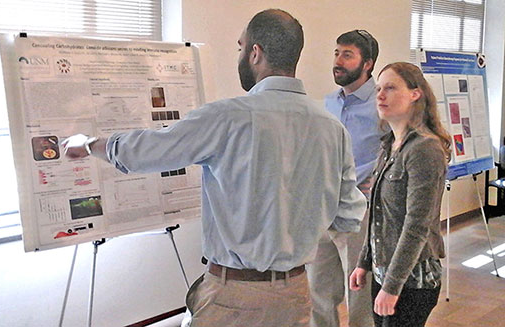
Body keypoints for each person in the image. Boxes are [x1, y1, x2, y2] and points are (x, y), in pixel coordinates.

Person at [63, 9, 367, 327]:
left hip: (235, 297)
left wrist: (88, 144)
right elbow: (347, 216)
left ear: (255, 53)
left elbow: (147, 150)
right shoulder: (333, 129)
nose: (239, 55)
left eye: (240, 47)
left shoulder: (227, 117)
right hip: (298, 294)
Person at [349, 62, 451, 327]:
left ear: (415, 93)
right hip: (386, 273)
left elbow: (417, 225)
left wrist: (392, 287)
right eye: (379, 88)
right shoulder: (388, 146)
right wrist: (364, 262)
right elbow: (378, 215)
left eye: (391, 88)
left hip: (412, 281)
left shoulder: (424, 149)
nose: (380, 95)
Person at [308, 30, 381, 327]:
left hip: (360, 214)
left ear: (368, 64)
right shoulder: (328, 103)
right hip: (322, 210)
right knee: (319, 291)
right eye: (337, 53)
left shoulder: (383, 102)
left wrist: (377, 179)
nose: (338, 61)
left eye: (347, 55)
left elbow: (403, 148)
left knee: (359, 295)